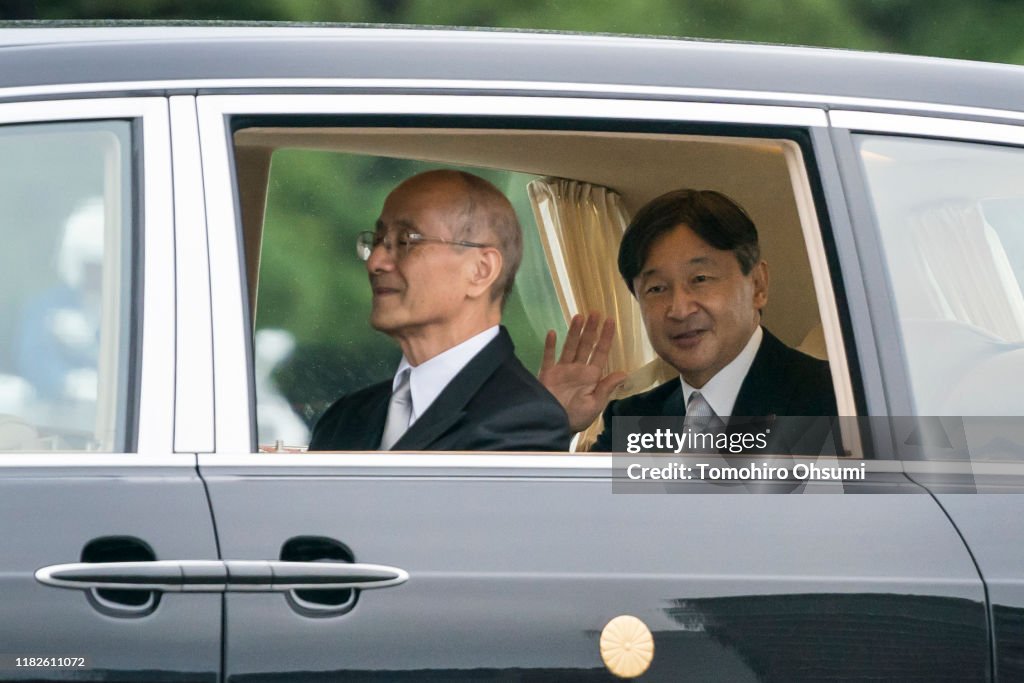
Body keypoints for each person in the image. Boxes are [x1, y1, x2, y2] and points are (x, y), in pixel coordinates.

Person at [539, 189, 837, 452]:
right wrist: (549, 427)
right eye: (656, 289)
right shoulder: (634, 419)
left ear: (758, 286)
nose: (679, 309)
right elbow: (577, 513)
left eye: (700, 279)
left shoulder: (836, 399)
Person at [309, 170, 570, 452]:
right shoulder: (344, 417)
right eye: (377, 240)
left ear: (480, 270)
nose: (375, 262)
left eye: (406, 241)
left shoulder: (525, 420)